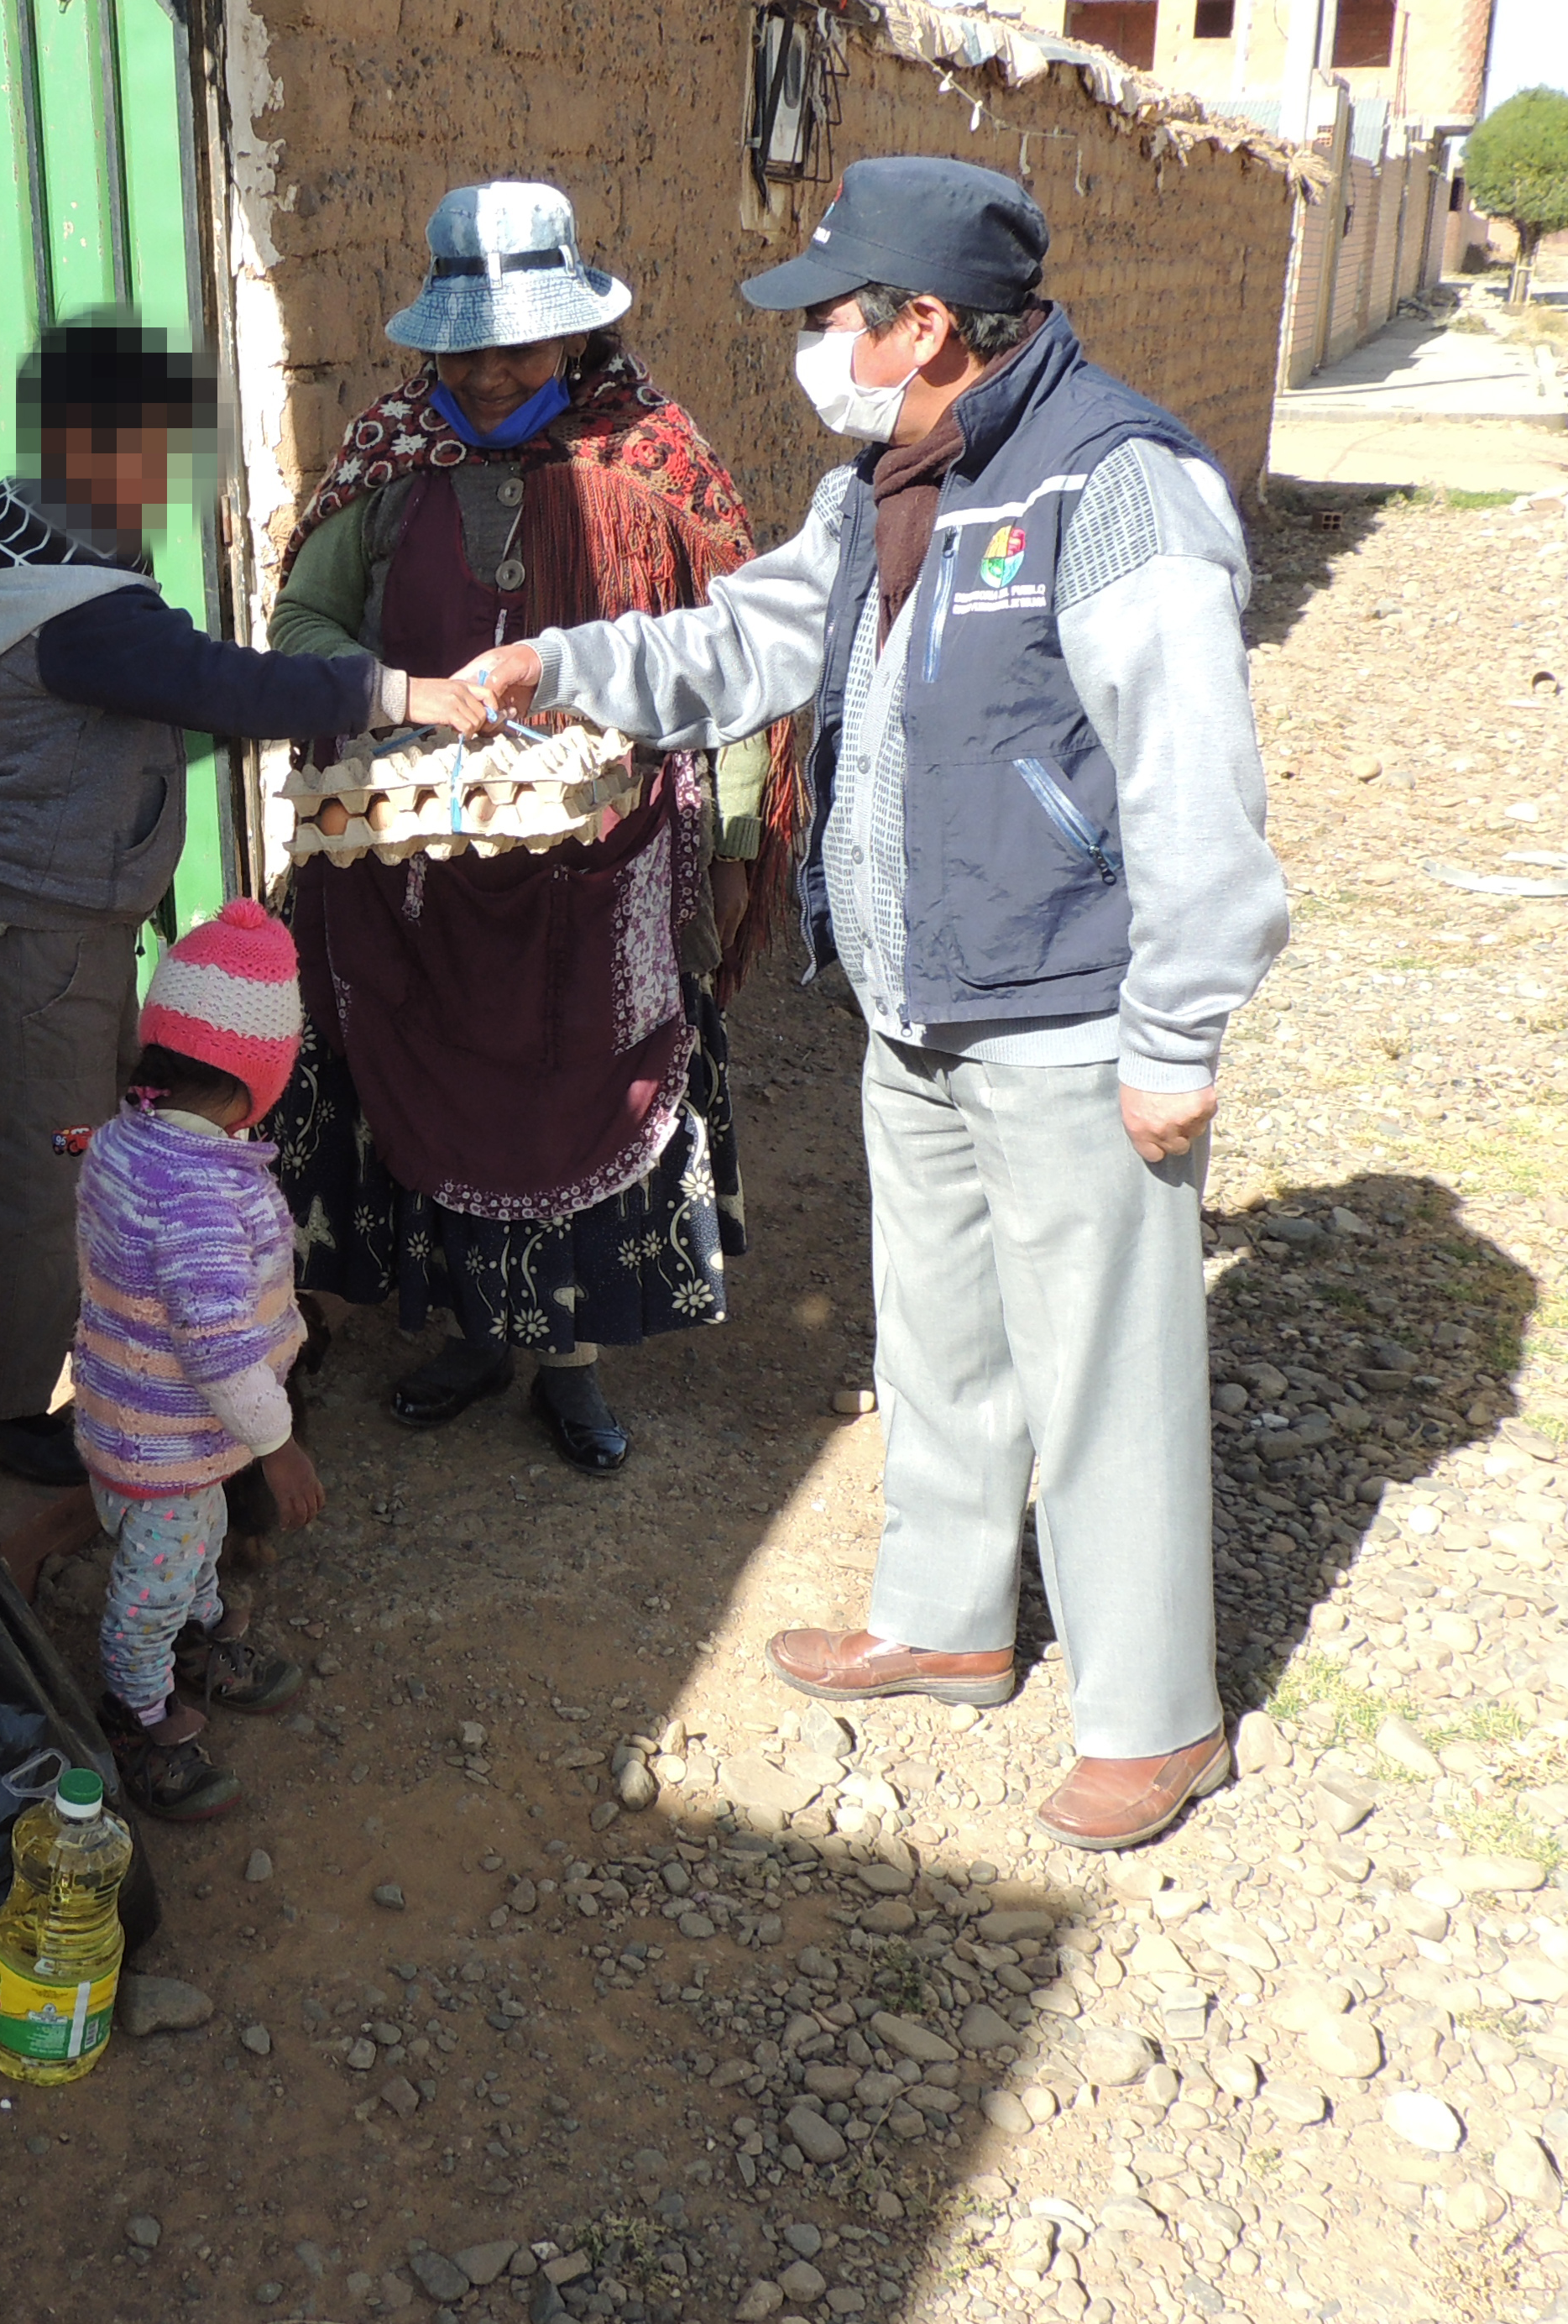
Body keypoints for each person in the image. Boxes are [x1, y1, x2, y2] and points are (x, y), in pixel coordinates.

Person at [463, 157, 1289, 1851]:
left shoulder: (1111, 485)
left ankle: (1158, 1716)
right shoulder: (881, 486)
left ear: (923, 324)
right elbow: (742, 645)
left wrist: (1174, 1032)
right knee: (938, 1329)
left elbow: (1196, 784)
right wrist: (561, 666)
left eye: (836, 315)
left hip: (1065, 1006)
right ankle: (946, 1615)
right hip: (915, 993)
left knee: (1106, 1368)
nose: (812, 346)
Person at [266, 183, 802, 1476]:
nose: (494, 373)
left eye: (520, 344)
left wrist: (735, 840)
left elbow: (734, 657)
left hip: (599, 865)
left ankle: (571, 1358)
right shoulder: (387, 459)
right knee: (432, 1078)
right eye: (468, 346)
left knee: (584, 1084)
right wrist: (397, 718)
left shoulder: (653, 459)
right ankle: (469, 1332)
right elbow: (307, 627)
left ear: (575, 335)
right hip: (421, 862)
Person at [0, 320, 486, 1488]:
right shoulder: (75, 602)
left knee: (80, 1150)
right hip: (43, 920)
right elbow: (216, 684)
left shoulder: (52, 543)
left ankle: (103, 1348)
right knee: (45, 1172)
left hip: (63, 904)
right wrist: (394, 693)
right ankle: (10, 1413)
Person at [68, 900, 322, 1820]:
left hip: (137, 1422)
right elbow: (216, 1352)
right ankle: (132, 1704)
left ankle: (201, 1630)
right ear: (258, 1079)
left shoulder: (126, 1141)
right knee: (156, 1577)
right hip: (168, 1443)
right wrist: (279, 1445)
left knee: (192, 1545)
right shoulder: (201, 1198)